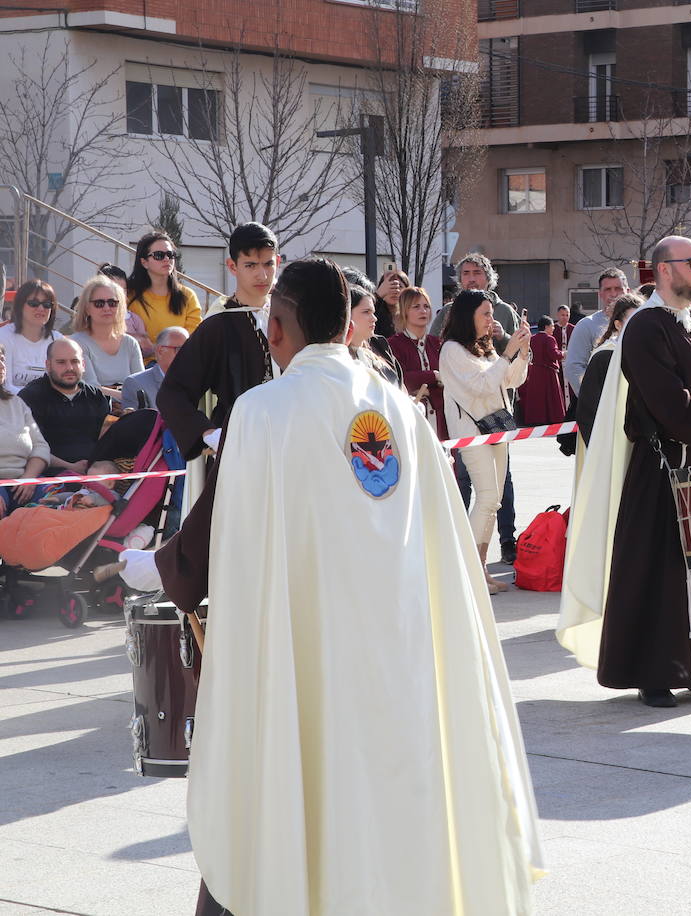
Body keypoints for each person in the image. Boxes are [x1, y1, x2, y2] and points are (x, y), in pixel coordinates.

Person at [145, 258, 543, 915]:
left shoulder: (261, 414)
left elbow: (229, 534)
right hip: (400, 665)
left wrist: (167, 573)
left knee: (284, 808)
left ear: (275, 329)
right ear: (349, 330)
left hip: (307, 660)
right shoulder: (402, 412)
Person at [558, 235, 691, 709]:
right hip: (663, 467)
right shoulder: (646, 326)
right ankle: (653, 671)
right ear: (664, 270)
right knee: (658, 575)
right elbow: (666, 401)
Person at [156, 223, 280, 467]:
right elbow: (172, 392)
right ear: (232, 266)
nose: (262, 275)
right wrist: (208, 434)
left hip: (288, 444)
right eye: (251, 265)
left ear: (278, 261)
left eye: (268, 264)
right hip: (240, 449)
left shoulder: (287, 319)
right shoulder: (219, 325)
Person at [439, 289, 531, 594]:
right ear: (469, 315)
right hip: (472, 432)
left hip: (495, 430)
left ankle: (479, 568)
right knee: (487, 497)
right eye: (486, 313)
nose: (492, 319)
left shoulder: (483, 347)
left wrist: (522, 352)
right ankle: (472, 570)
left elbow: (510, 381)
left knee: (493, 500)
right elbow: (480, 386)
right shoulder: (452, 350)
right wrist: (506, 355)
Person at [18, 339, 112, 474]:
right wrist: (71, 467)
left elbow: (104, 443)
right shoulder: (31, 397)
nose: (69, 368)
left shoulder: (95, 396)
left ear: (83, 364)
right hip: (48, 476)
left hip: (93, 475)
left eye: (75, 361)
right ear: (48, 365)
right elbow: (30, 447)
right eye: (61, 362)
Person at [576, 293, 642, 446]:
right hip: (611, 446)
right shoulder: (605, 356)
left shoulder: (644, 354)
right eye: (632, 321)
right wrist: (600, 451)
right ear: (618, 325)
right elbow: (587, 412)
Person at [68, 275, 142, 401]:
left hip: (130, 412)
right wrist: (127, 395)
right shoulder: (76, 344)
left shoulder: (130, 343)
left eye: (112, 303)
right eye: (99, 303)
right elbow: (91, 389)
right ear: (87, 308)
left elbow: (141, 386)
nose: (107, 308)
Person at [126, 230, 202, 351]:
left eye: (170, 255)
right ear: (144, 262)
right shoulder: (128, 296)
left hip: (177, 363)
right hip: (140, 365)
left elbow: (192, 339)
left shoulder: (187, 296)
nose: (167, 259)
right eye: (159, 255)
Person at [389, 287, 448, 439]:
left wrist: (430, 391)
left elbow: (450, 384)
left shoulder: (438, 344)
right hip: (410, 423)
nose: (423, 311)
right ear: (404, 311)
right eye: (416, 306)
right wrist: (434, 376)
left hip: (440, 423)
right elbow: (402, 381)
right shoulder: (393, 345)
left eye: (426, 306)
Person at [0, 347, 53, 515]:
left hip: (23, 480)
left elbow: (40, 446)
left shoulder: (16, 403)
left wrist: (29, 479)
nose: (1, 365)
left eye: (1, 359)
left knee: (58, 496)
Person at [565, 268, 629, 396]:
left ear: (628, 291)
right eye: (608, 289)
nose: (613, 294)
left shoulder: (639, 322)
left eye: (618, 289)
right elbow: (574, 368)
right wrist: (595, 399)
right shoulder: (586, 326)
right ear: (600, 294)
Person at [0, 280, 64, 394]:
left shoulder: (59, 341)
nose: (41, 308)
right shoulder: (3, 336)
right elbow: (6, 386)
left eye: (47, 304)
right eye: (33, 303)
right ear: (20, 305)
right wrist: (35, 401)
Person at [346, 285, 401, 385]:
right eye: (366, 312)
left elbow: (401, 388)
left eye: (373, 312)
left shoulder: (380, 346)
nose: (374, 318)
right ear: (347, 314)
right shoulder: (339, 358)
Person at [122, 326, 187, 410]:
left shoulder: (196, 381)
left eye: (188, 349)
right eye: (179, 349)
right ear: (160, 351)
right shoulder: (136, 383)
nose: (186, 354)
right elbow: (135, 421)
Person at [519, 316, 567, 426]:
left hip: (535, 371)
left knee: (537, 396)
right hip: (548, 372)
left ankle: (536, 418)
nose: (554, 328)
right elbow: (553, 354)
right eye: (552, 326)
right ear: (546, 327)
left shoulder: (533, 338)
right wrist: (563, 354)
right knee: (550, 396)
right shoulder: (550, 339)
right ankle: (552, 417)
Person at [97, 262, 151, 355]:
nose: (118, 295)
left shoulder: (134, 319)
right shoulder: (93, 317)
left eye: (122, 290)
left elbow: (147, 348)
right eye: (113, 289)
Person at [373, 266, 410, 338]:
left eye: (399, 286)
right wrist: (378, 296)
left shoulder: (412, 315)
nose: (395, 291)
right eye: (391, 286)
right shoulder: (374, 313)